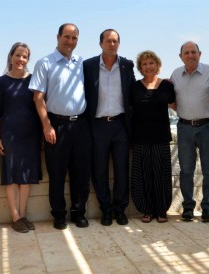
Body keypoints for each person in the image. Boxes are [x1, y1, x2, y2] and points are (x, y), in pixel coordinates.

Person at [30, 23, 92, 230]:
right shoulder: (44, 63)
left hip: (81, 125)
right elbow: (38, 97)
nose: (70, 41)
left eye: (74, 38)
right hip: (56, 125)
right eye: (67, 37)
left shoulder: (81, 63)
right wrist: (47, 125)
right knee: (57, 173)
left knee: (81, 173)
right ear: (58, 37)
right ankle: (58, 214)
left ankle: (78, 212)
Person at [83, 29, 135, 226]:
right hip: (97, 126)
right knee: (99, 170)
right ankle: (106, 210)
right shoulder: (88, 65)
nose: (112, 44)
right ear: (100, 44)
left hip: (121, 125)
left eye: (115, 41)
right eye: (108, 41)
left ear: (119, 44)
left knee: (122, 170)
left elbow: (132, 94)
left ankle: (120, 210)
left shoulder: (127, 65)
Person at [169, 41, 209, 222]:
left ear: (200, 53)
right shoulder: (175, 74)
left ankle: (207, 207)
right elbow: (171, 99)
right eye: (187, 53)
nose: (190, 55)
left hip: (208, 126)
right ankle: (188, 207)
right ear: (180, 56)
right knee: (186, 170)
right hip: (184, 127)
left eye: (193, 52)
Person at [0, 42, 40, 233]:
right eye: (18, 55)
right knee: (12, 176)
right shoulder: (1, 82)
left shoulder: (34, 80)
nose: (21, 59)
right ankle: (15, 216)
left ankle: (23, 216)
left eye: (25, 57)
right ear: (11, 57)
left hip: (31, 134)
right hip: (9, 134)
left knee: (26, 177)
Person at [130, 50, 175, 223]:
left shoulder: (167, 86)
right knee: (143, 175)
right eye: (144, 64)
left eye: (151, 63)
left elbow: (175, 106)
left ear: (157, 65)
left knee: (161, 173)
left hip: (161, 137)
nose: (148, 66)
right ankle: (146, 209)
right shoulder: (134, 87)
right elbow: (130, 110)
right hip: (140, 137)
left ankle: (161, 210)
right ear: (140, 68)